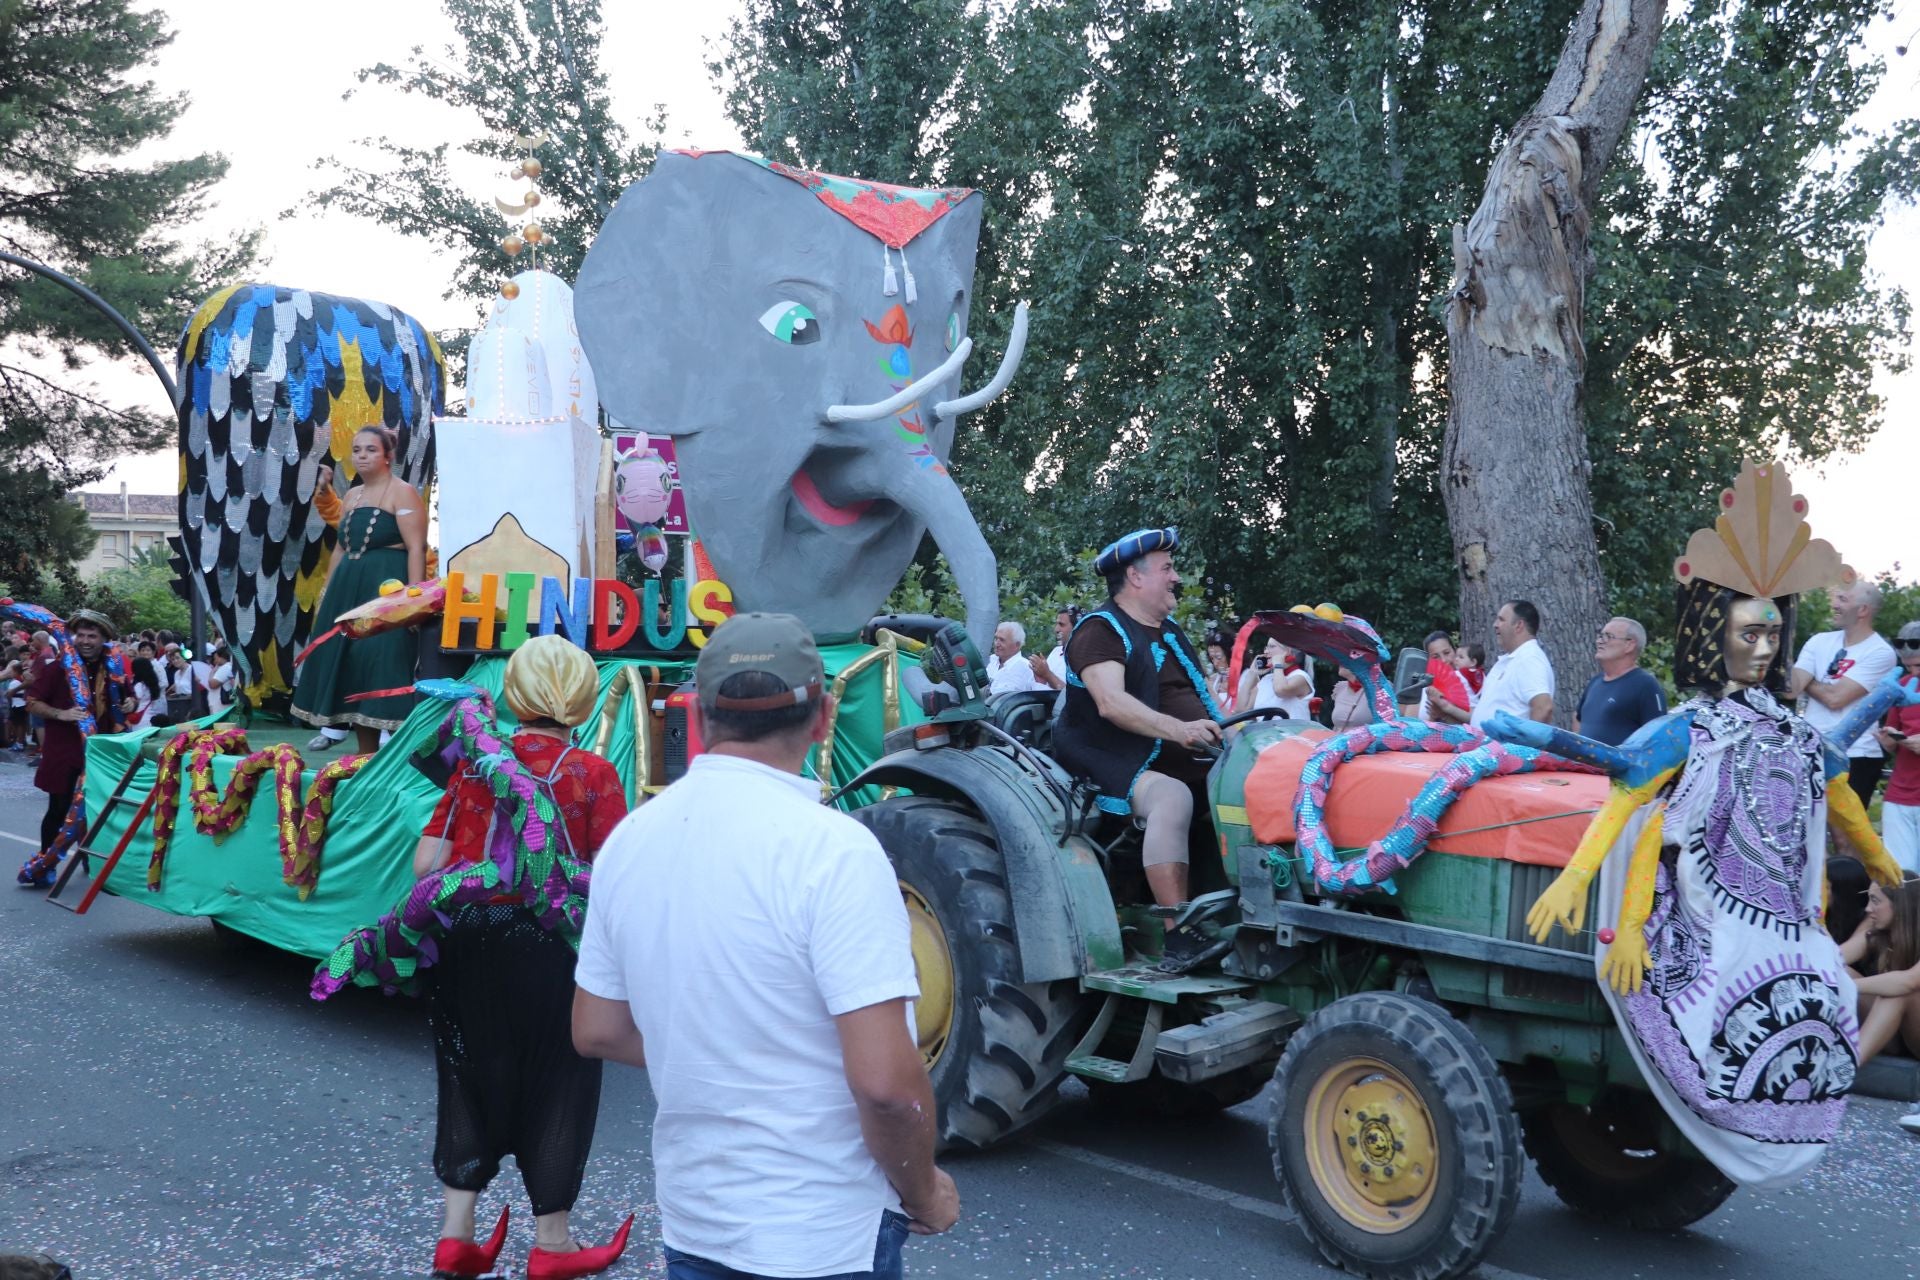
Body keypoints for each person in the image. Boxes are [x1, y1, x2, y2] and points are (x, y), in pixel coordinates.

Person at [572, 613, 956, 1279]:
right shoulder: (836, 852)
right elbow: (888, 1088)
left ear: (700, 714)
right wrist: (925, 1192)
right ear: (823, 715)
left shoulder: (630, 842)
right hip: (824, 1233)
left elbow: (597, 1029)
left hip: (697, 1224)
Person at [414, 635, 632, 1279]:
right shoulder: (591, 773)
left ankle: (457, 1237)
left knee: (466, 1070)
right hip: (549, 941)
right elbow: (610, 877)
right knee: (559, 1076)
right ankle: (553, 1244)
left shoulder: (476, 764)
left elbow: (429, 862)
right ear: (580, 695)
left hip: (468, 935)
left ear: (515, 690)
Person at [1051, 527, 1226, 968]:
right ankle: (1179, 934)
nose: (1175, 577)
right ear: (1135, 577)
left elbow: (1206, 699)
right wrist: (1181, 730)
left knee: (1259, 782)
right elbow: (1111, 704)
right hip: (1106, 756)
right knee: (1172, 797)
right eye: (1167, 569)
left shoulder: (1170, 633)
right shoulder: (1100, 630)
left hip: (1173, 756)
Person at [291, 426, 427, 755]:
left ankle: (393, 759)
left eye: (370, 450)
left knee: (380, 662)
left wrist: (414, 602)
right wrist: (326, 592)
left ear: (388, 457)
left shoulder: (403, 492)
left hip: (384, 588)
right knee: (350, 664)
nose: (362, 456)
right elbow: (341, 548)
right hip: (348, 589)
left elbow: (416, 548)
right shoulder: (352, 496)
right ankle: (363, 755)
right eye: (357, 450)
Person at [19, 611, 132, 887]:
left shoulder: (114, 666)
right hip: (64, 751)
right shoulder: (59, 667)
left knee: (97, 809)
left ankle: (90, 859)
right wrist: (62, 714)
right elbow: (32, 702)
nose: (84, 641)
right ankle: (46, 864)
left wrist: (131, 705)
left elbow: (129, 698)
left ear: (104, 638)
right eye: (80, 635)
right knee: (58, 808)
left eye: (91, 636)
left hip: (100, 752)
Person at [1791, 578, 1896, 808]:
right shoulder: (1818, 641)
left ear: (1863, 610)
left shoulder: (1880, 652)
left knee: (1844, 838)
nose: (1834, 604)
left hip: (1856, 753)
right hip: (1810, 748)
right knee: (1805, 828)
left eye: (1842, 599)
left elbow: (1835, 699)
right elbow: (1792, 688)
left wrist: (1809, 679)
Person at [1843, 877, 1920, 1133]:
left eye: (1875, 901)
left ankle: (1841, 1071)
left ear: (1901, 905)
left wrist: (1846, 986)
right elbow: (1834, 958)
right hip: (1895, 1030)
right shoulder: (1877, 931)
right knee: (1840, 972)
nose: (1867, 909)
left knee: (1899, 993)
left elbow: (1908, 982)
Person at [1574, 617, 1667, 746]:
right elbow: (1578, 720)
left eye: (1608, 636)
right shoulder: (1595, 682)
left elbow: (1658, 739)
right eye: (1600, 636)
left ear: (1630, 645)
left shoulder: (1645, 685)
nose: (1600, 641)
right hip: (1583, 765)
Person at [1874, 620, 1920, 873]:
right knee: (1902, 878)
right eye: (1907, 665)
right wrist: (1889, 739)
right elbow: (1893, 742)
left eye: (1918, 665)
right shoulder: (1901, 686)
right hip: (1900, 796)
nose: (1912, 673)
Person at [1469, 600, 1553, 727]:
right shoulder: (1514, 659)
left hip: (1505, 746)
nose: (1495, 625)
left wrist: (1526, 745)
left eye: (1501, 620)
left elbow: (1543, 708)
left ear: (1518, 625)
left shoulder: (1530, 659)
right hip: (1486, 744)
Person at [1238, 636, 1312, 721]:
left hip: (1294, 732)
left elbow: (1280, 690)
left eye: (1272, 646)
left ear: (1288, 651)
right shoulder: (1266, 679)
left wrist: (1278, 665)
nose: (1266, 651)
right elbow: (1241, 710)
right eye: (1266, 647)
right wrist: (1252, 673)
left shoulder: (1301, 677)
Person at [1416, 631, 1473, 725]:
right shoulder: (1423, 688)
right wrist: (1433, 716)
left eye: (1446, 653)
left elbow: (1478, 721)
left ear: (1455, 650)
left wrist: (1446, 711)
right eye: (1435, 657)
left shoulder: (1470, 679)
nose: (1443, 660)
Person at [984, 621, 1043, 696]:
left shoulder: (1027, 669)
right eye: (996, 639)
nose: (996, 644)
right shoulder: (990, 660)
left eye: (1002, 640)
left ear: (1017, 645)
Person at [1027, 608, 1077, 695]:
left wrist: (1047, 674)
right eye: (1056, 624)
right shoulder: (1056, 651)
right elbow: (1046, 685)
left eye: (1061, 625)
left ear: (1076, 627)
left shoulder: (1082, 657)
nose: (1056, 629)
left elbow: (1071, 694)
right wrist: (1039, 676)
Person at [129, 656, 167, 729]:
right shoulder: (151, 685)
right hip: (149, 715)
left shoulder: (139, 685)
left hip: (139, 719)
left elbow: (136, 700)